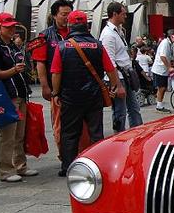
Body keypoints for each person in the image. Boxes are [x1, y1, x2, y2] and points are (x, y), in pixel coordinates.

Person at [50, 11, 121, 177]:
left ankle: (68, 166)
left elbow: (56, 73)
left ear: (70, 26)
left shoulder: (62, 47)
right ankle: (97, 164)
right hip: (94, 96)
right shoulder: (98, 45)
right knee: (95, 132)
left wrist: (56, 92)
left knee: (69, 133)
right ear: (87, 26)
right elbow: (110, 69)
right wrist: (115, 86)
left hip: (70, 97)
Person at [32, 0, 89, 156]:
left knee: (83, 126)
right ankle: (65, 156)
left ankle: (83, 155)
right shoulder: (45, 36)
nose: (67, 17)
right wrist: (45, 86)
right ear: (54, 15)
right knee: (60, 124)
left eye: (69, 14)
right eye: (64, 14)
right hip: (58, 89)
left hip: (81, 88)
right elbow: (40, 63)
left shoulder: (80, 33)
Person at [0, 12, 38, 182]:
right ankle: (5, 170)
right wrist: (13, 70)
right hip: (7, 94)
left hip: (21, 92)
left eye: (13, 26)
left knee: (19, 134)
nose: (12, 29)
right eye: (7, 27)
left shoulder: (12, 45)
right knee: (8, 135)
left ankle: (20, 165)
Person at [100, 2, 143, 131]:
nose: (125, 16)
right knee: (120, 112)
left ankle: (137, 133)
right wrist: (117, 85)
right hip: (118, 78)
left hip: (126, 75)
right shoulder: (108, 35)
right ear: (114, 14)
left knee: (134, 109)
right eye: (123, 14)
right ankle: (119, 137)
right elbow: (109, 62)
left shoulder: (119, 31)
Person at [152, 29, 174, 113]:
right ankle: (159, 106)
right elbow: (162, 57)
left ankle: (159, 104)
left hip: (164, 69)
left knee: (163, 88)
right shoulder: (165, 43)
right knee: (162, 88)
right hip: (159, 68)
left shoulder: (171, 44)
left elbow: (171, 56)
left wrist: (173, 64)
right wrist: (169, 67)